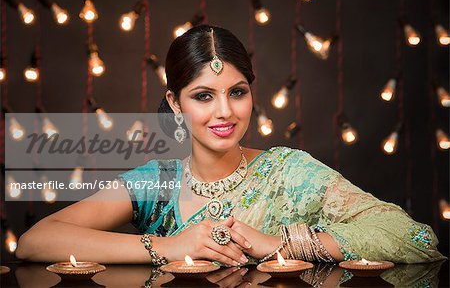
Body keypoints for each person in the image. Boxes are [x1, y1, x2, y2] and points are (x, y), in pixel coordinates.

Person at [15, 25, 445, 266]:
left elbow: (414, 238)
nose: (225, 112)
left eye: (237, 92)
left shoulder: (288, 173)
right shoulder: (157, 183)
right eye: (204, 96)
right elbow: (36, 241)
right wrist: (169, 246)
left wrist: (280, 245)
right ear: (175, 103)